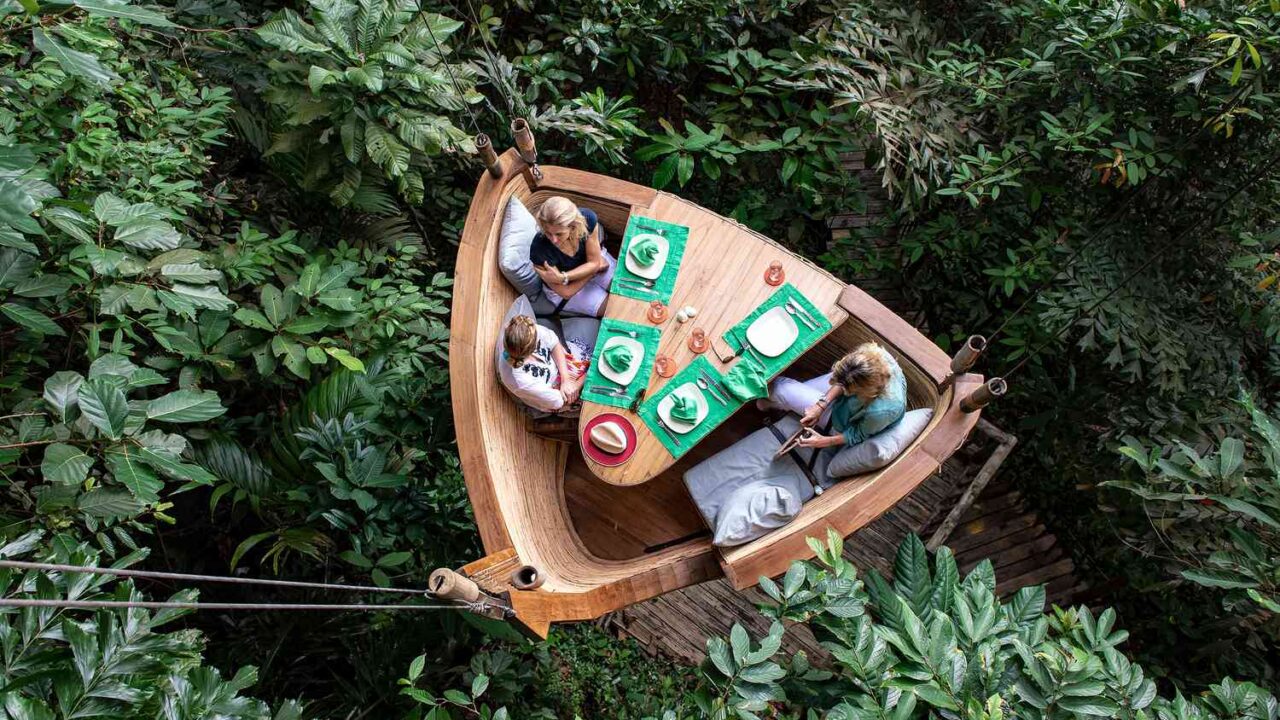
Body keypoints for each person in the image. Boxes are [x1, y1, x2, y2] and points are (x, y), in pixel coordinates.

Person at [759, 342, 907, 450]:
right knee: (786, 393)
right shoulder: (871, 356)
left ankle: (770, 404)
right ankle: (772, 404)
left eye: (850, 390)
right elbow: (842, 381)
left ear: (864, 391)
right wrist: (821, 404)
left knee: (780, 387)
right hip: (851, 387)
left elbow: (858, 434)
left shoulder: (881, 412)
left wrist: (825, 441)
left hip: (844, 419)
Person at [528, 196, 615, 316]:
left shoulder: (587, 219)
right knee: (614, 309)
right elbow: (566, 292)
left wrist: (563, 276)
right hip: (568, 288)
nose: (553, 240)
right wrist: (592, 269)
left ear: (573, 226)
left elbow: (593, 264)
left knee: (626, 288)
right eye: (548, 233)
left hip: (572, 274)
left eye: (559, 234)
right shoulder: (539, 250)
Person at [501, 315, 588, 415]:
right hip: (555, 394)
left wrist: (566, 378)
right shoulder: (523, 381)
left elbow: (554, 343)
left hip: (561, 373)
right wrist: (583, 379)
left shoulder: (523, 331)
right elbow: (558, 401)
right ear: (532, 349)